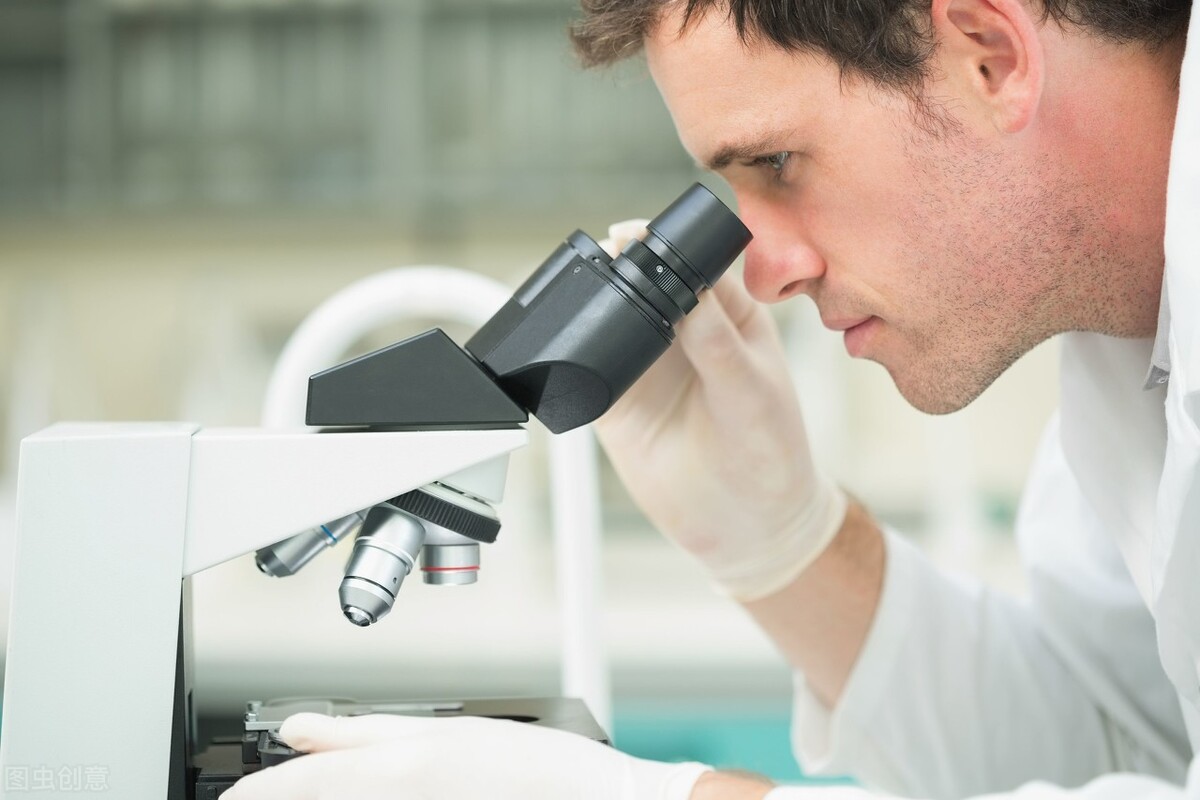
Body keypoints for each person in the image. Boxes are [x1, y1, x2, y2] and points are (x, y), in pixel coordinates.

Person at [225, 0, 1200, 797]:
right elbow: (1127, 745)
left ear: (991, 56)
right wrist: (785, 546)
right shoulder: (1126, 336)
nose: (765, 273)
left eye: (778, 163)